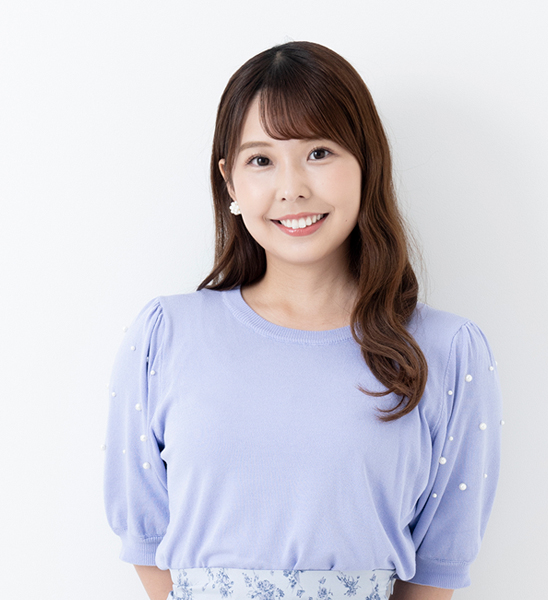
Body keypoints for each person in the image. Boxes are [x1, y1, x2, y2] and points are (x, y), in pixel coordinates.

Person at [103, 41, 503, 600]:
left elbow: (439, 561)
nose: (292, 188)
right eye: (261, 160)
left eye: (318, 152)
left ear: (366, 162)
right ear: (229, 181)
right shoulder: (164, 335)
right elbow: (144, 533)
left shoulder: (447, 349)